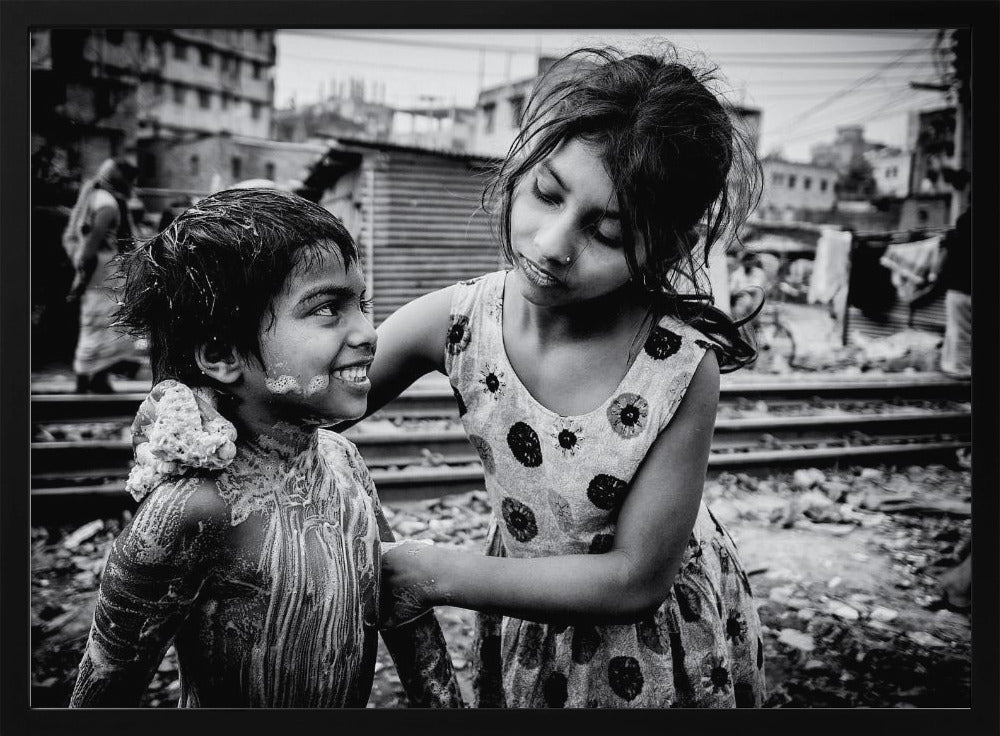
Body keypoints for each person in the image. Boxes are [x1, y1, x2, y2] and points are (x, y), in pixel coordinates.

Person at [365, 46, 767, 707]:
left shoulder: (676, 366)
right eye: (548, 193)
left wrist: (437, 574)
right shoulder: (461, 318)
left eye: (607, 232)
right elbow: (319, 402)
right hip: (528, 610)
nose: (553, 243)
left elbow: (636, 578)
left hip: (645, 644)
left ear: (663, 247)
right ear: (521, 164)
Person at [69, 188, 463, 708]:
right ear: (221, 353)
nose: (368, 332)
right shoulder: (191, 509)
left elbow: (404, 611)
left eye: (362, 303)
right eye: (327, 309)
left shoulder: (344, 462)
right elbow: (103, 690)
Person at [62, 158, 142, 393]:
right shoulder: (107, 205)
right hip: (103, 276)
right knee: (105, 325)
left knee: (95, 326)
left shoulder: (97, 198)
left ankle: (89, 378)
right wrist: (82, 279)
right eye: (131, 181)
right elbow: (91, 247)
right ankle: (93, 379)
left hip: (99, 275)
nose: (133, 186)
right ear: (123, 180)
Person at [938, 207, 971, 379]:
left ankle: (958, 368)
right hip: (966, 291)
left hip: (956, 292)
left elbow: (943, 271)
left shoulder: (954, 242)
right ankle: (960, 368)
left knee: (957, 332)